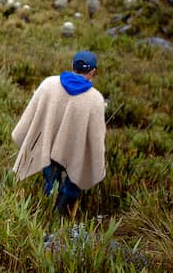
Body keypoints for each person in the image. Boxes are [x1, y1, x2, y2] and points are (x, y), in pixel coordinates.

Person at [11, 51, 106, 216]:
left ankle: (44, 217)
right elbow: (97, 137)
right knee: (73, 183)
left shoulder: (48, 84)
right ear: (92, 72)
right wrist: (97, 163)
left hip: (47, 146)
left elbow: (31, 114)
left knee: (51, 181)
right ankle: (60, 216)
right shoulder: (95, 99)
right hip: (74, 152)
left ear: (72, 65)